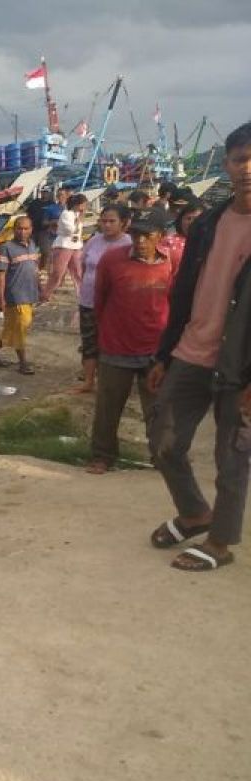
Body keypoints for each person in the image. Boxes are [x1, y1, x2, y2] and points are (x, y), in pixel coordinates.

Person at [146, 122, 251, 572]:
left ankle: (220, 543)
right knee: (164, 440)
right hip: (191, 351)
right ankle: (194, 513)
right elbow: (183, 290)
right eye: (238, 159)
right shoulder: (208, 222)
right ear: (226, 165)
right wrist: (165, 355)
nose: (246, 168)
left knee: (231, 458)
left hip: (239, 364)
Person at [86, 209, 174, 473]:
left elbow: (177, 303)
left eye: (147, 236)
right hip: (116, 347)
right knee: (108, 408)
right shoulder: (112, 260)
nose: (140, 241)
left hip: (156, 350)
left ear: (160, 236)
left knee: (158, 409)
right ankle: (102, 456)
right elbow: (99, 301)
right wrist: (105, 336)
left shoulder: (172, 262)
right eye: (136, 235)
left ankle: (163, 458)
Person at [75, 204, 132, 394]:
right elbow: (84, 266)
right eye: (103, 221)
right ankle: (89, 380)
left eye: (111, 221)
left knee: (111, 342)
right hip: (89, 300)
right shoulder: (94, 241)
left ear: (124, 223)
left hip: (114, 304)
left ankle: (110, 381)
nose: (106, 225)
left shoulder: (129, 244)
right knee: (89, 341)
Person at [0, 216, 40, 375]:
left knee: (12, 328)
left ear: (31, 230)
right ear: (14, 229)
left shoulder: (32, 246)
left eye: (26, 228)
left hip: (30, 294)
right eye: (19, 228)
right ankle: (23, 363)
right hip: (15, 295)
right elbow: (1, 275)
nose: (22, 232)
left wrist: (41, 289)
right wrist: (0, 298)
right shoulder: (7, 248)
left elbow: (35, 270)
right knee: (21, 327)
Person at [42, 192, 88, 301]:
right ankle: (46, 294)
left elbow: (78, 232)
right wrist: (78, 222)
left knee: (78, 271)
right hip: (64, 245)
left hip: (76, 246)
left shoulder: (78, 215)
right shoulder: (66, 214)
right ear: (78, 204)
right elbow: (70, 230)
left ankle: (82, 294)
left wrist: (80, 219)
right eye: (84, 204)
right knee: (58, 272)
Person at [162, 201, 204, 275]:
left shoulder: (210, 243)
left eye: (196, 219)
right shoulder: (167, 241)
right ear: (180, 220)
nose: (191, 222)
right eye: (188, 218)